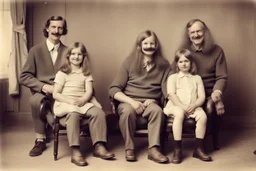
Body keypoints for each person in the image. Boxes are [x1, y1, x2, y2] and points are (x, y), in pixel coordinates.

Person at [109, 30, 170, 163]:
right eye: (145, 43)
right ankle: (129, 148)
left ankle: (154, 149)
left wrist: (154, 100)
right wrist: (132, 102)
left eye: (152, 43)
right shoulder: (129, 62)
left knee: (157, 111)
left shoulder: (164, 65)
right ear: (139, 45)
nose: (149, 46)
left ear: (157, 45)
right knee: (127, 112)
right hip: (128, 101)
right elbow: (113, 89)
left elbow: (167, 92)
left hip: (150, 103)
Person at [52, 42, 114, 166]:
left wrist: (83, 100)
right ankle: (75, 151)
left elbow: (89, 91)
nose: (76, 57)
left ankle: (99, 145)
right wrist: (70, 102)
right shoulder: (62, 73)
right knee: (73, 114)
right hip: (66, 102)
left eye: (79, 54)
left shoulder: (86, 73)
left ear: (84, 57)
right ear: (68, 56)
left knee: (98, 113)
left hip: (82, 101)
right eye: (73, 54)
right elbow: (56, 94)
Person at [19, 16, 68, 157]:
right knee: (35, 101)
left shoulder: (69, 51)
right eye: (53, 27)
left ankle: (62, 126)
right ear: (47, 28)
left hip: (63, 91)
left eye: (60, 27)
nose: (56, 30)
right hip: (42, 92)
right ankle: (40, 139)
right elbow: (24, 76)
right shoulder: (35, 51)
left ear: (64, 30)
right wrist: (43, 87)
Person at [164, 49, 212, 163]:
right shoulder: (173, 78)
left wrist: (194, 105)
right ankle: (177, 149)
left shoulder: (196, 78)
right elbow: (171, 95)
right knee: (179, 114)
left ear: (191, 63)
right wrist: (181, 106)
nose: (184, 64)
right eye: (181, 62)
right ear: (177, 64)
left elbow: (201, 97)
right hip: (176, 106)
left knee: (203, 116)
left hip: (193, 107)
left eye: (186, 61)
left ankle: (198, 149)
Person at [179, 18, 228, 116]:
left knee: (210, 107)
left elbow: (221, 77)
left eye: (199, 31)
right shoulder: (184, 52)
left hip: (209, 93)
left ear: (205, 32)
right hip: (189, 94)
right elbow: (173, 73)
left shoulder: (217, 51)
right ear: (188, 35)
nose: (196, 35)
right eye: (192, 32)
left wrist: (217, 96)